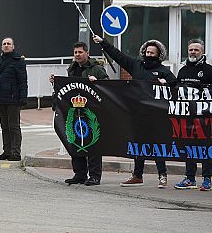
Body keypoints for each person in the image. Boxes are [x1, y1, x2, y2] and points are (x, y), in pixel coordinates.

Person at [93, 34, 176, 188]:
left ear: (159, 55)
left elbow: (176, 85)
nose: (148, 55)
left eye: (152, 53)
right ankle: (137, 175)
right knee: (139, 144)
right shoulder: (136, 65)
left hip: (156, 115)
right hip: (138, 113)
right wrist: (104, 43)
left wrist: (167, 83)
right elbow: (118, 56)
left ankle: (162, 175)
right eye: (147, 52)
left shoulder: (163, 71)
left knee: (158, 145)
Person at [50, 42, 109, 186]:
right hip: (75, 113)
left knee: (93, 144)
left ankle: (95, 175)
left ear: (87, 53)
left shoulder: (97, 69)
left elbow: (108, 86)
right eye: (75, 52)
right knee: (76, 143)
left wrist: (97, 82)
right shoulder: (72, 69)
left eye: (80, 52)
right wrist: (55, 83)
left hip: (92, 113)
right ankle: (79, 174)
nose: (77, 55)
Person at [173, 39, 212, 191]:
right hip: (186, 116)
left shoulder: (209, 70)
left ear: (202, 52)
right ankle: (190, 178)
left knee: (205, 147)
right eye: (190, 50)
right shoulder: (182, 70)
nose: (193, 52)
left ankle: (207, 179)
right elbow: (176, 90)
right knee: (189, 147)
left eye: (196, 50)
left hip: (204, 117)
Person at [0, 37, 28, 161]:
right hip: (1, 98)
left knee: (14, 126)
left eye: (8, 44)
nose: (6, 45)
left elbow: (23, 81)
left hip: (14, 99)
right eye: (4, 44)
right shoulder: (0, 61)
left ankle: (16, 153)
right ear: (1, 47)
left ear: (13, 46)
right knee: (4, 126)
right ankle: (6, 151)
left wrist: (23, 97)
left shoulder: (18, 61)